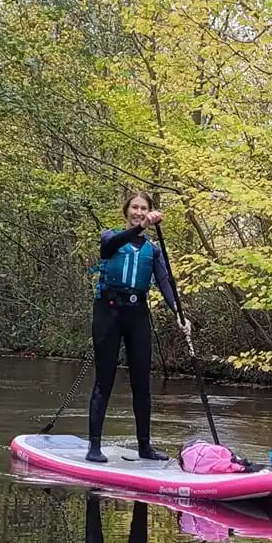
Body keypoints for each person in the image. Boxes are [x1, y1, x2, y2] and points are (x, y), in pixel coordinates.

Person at [87, 189, 189, 464]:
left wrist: (179, 313)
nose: (139, 212)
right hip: (108, 313)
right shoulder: (110, 238)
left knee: (142, 384)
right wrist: (141, 228)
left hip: (137, 315)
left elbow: (165, 282)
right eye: (135, 208)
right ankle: (94, 446)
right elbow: (108, 248)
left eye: (144, 209)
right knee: (104, 380)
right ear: (127, 210)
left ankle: (145, 446)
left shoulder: (152, 250)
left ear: (149, 211)